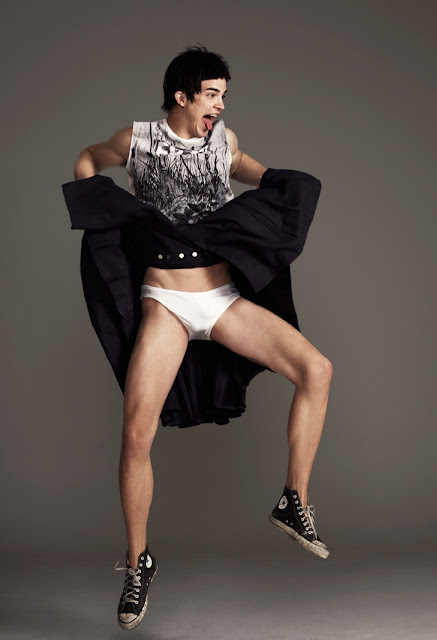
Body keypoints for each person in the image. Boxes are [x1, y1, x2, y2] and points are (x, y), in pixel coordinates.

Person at [71, 44, 333, 631]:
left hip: (221, 301)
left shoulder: (225, 142)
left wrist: (283, 194)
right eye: (212, 94)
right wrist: (100, 209)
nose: (219, 104)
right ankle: (138, 563)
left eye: (223, 95)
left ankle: (293, 500)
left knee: (316, 370)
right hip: (166, 303)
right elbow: (88, 157)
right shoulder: (137, 140)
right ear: (182, 96)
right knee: (135, 436)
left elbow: (261, 177)